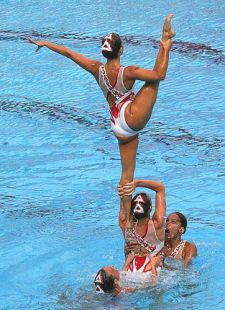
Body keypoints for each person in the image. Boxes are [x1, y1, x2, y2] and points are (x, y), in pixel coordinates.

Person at [27, 14, 175, 228]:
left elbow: (68, 53)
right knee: (154, 82)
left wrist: (45, 42)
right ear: (121, 50)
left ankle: (128, 220)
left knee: (127, 174)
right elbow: (159, 74)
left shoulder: (97, 68)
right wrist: (165, 46)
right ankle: (165, 40)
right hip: (129, 117)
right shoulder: (129, 72)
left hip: (118, 125)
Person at [118, 179, 166, 258]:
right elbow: (160, 188)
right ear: (150, 208)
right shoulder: (157, 224)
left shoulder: (125, 224)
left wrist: (124, 190)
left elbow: (124, 196)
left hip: (128, 270)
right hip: (154, 269)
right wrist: (137, 183)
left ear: (131, 210)